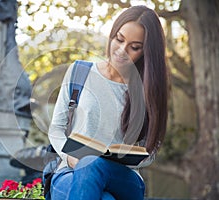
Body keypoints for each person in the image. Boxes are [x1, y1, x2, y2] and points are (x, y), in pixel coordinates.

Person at [47, 5, 168, 200]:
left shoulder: (147, 90)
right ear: (112, 35)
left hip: (123, 179)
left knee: (93, 163)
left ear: (146, 52)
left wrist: (117, 160)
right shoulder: (80, 72)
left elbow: (152, 148)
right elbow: (56, 129)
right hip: (70, 172)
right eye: (119, 39)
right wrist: (71, 158)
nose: (122, 50)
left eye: (134, 47)